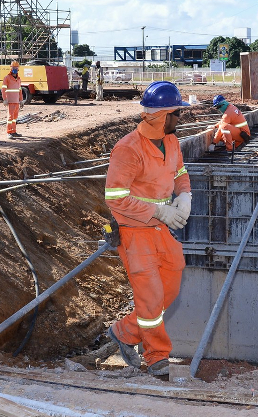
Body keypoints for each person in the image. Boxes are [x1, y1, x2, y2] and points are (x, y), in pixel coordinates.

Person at [104, 81, 192, 378]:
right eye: (177, 113)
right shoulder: (128, 148)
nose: (181, 118)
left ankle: (125, 331)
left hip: (161, 230)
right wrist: (158, 210)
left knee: (171, 285)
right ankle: (157, 358)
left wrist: (184, 196)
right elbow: (115, 198)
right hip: (135, 232)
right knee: (151, 298)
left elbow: (180, 173)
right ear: (162, 115)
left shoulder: (171, 142)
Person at [1, 60, 23, 138]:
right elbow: (3, 89)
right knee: (10, 117)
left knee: (15, 117)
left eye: (16, 68)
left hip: (16, 101)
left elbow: (20, 90)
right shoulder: (7, 78)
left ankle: (13, 131)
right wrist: (5, 99)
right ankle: (9, 132)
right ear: (11, 68)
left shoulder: (19, 79)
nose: (15, 69)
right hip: (10, 101)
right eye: (13, 67)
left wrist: (21, 100)